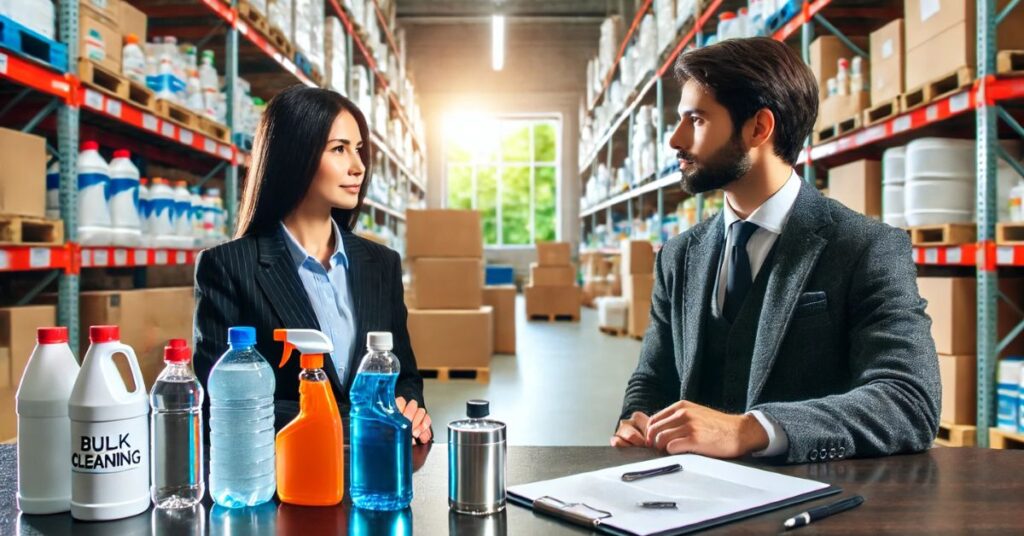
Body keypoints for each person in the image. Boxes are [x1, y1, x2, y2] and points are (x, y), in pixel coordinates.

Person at [611, 37, 940, 463]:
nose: (675, 140)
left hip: (813, 507)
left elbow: (908, 400)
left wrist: (753, 430)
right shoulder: (678, 256)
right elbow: (654, 377)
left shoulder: (866, 248)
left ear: (759, 129)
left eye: (696, 119)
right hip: (689, 504)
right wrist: (637, 419)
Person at [193, 85, 432, 443]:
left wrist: (411, 408)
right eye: (339, 149)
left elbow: (405, 375)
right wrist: (356, 422)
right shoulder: (228, 267)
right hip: (286, 480)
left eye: (359, 150)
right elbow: (224, 401)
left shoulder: (381, 264)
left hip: (378, 475)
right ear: (295, 155)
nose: (358, 167)